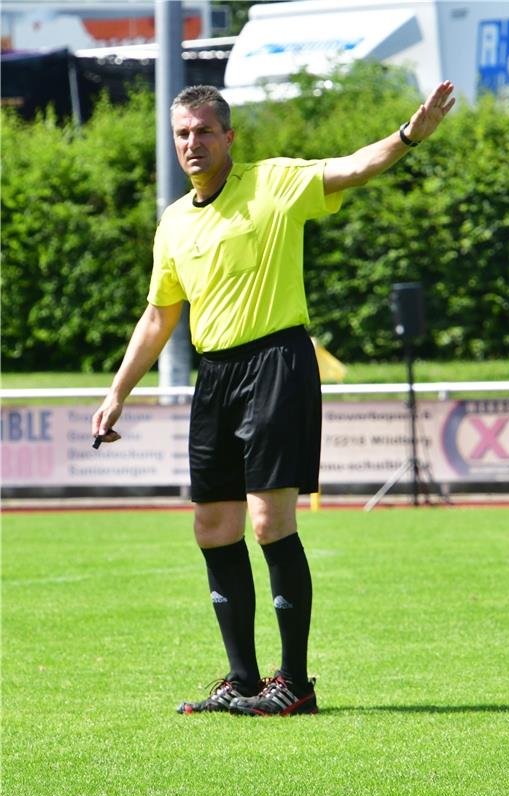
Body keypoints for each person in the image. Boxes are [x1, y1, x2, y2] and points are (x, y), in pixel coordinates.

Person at [92, 81, 455, 717]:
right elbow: (158, 315)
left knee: (269, 521)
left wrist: (407, 136)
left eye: (204, 131)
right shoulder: (174, 221)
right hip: (216, 377)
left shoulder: (274, 182)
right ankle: (242, 679)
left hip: (277, 363)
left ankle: (295, 683)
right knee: (213, 527)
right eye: (182, 133)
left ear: (229, 136)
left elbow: (350, 168)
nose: (192, 143)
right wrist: (118, 391)